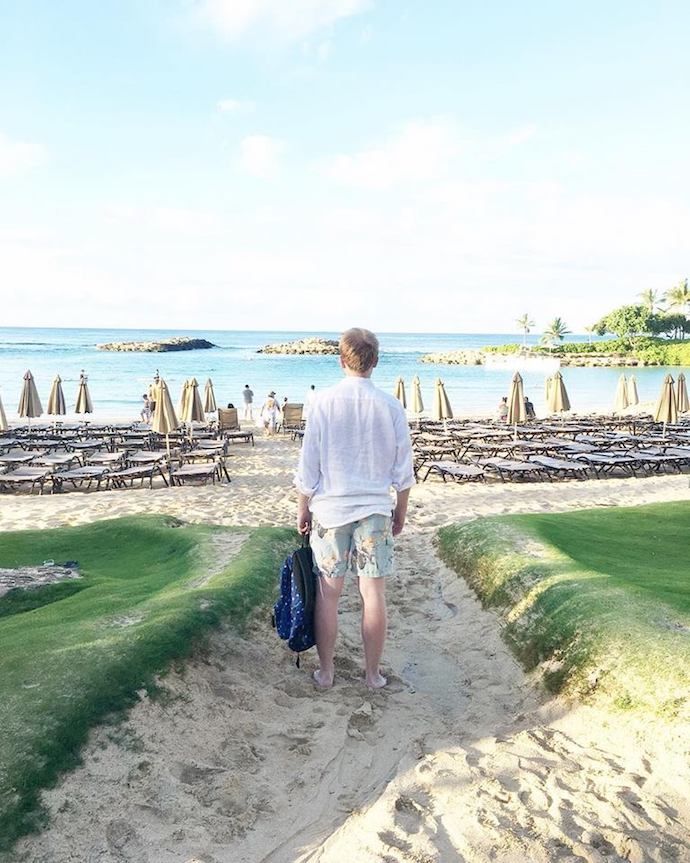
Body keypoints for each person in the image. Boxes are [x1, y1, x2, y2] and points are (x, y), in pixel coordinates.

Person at [295, 327, 415, 690]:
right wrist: (400, 511)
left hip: (331, 511)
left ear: (341, 361)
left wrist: (303, 508)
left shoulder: (323, 402)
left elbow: (308, 466)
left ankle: (326, 672)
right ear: (375, 361)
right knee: (373, 595)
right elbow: (403, 470)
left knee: (328, 595)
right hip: (375, 509)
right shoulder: (390, 405)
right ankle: (372, 675)